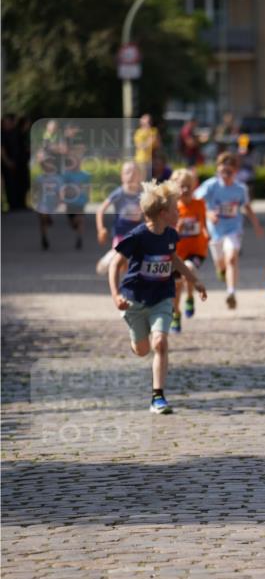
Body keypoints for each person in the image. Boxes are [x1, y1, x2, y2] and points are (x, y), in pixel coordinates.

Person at [109, 180, 207, 414]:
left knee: (160, 343)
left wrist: (195, 281)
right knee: (142, 349)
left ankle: (158, 397)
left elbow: (173, 259)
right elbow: (115, 265)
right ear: (163, 213)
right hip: (135, 299)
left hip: (162, 297)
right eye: (175, 209)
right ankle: (137, 342)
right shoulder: (138, 236)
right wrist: (115, 296)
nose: (178, 212)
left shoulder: (171, 234)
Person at [196, 152, 264, 309]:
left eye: (229, 172)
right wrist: (208, 212)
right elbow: (195, 202)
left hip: (234, 229)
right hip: (215, 232)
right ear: (217, 171)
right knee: (221, 263)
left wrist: (256, 225)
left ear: (236, 171)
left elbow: (246, 207)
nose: (226, 175)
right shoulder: (210, 185)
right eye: (222, 172)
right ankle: (221, 271)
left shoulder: (240, 188)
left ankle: (231, 292)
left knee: (232, 258)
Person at [170, 168, 209, 334]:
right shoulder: (172, 208)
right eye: (181, 186)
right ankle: (176, 314)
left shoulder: (200, 204)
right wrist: (176, 228)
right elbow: (167, 232)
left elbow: (203, 224)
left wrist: (207, 234)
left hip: (197, 250)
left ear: (193, 187)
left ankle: (191, 296)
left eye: (188, 186)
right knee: (176, 287)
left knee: (190, 268)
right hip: (176, 254)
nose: (185, 190)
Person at [95, 161, 143, 276]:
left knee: (135, 263)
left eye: (134, 172)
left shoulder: (142, 194)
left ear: (140, 177)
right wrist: (101, 229)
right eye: (127, 172)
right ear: (122, 176)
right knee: (120, 261)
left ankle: (127, 285)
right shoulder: (119, 193)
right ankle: (110, 262)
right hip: (120, 235)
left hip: (137, 235)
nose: (131, 175)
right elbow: (100, 210)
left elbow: (149, 213)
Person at [133, 114, 160, 179]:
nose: (148, 123)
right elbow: (139, 146)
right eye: (146, 121)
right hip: (141, 160)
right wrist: (149, 142)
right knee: (142, 179)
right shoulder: (138, 132)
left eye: (149, 121)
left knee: (152, 179)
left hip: (152, 160)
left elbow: (157, 145)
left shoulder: (154, 131)